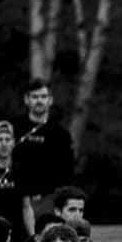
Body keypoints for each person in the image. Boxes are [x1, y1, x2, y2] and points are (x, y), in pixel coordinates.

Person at [14, 79, 79, 213]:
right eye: (35, 97)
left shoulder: (60, 134)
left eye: (43, 97)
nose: (39, 101)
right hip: (16, 199)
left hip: (49, 200)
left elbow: (67, 174)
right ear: (26, 100)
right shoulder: (13, 129)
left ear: (50, 100)